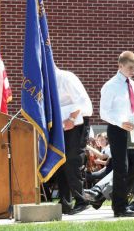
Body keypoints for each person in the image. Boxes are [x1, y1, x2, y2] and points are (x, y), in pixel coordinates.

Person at [99, 51, 134, 217]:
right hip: (118, 130)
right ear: (120, 66)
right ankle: (120, 207)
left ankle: (114, 193)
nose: (133, 71)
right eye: (130, 67)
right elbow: (103, 113)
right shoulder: (110, 85)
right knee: (121, 168)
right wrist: (120, 122)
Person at [55, 67, 93, 215]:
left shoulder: (66, 77)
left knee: (72, 160)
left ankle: (82, 200)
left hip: (76, 122)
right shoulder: (47, 81)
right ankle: (65, 201)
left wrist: (71, 118)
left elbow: (81, 100)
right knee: (60, 160)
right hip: (61, 125)